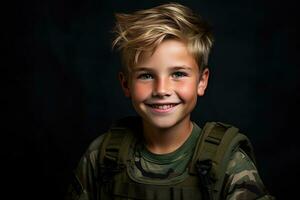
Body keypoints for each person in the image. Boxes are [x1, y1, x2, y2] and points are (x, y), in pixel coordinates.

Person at [65, 3, 274, 200]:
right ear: (126, 84)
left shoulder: (229, 163)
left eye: (178, 74)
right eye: (146, 75)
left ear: (201, 81)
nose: (162, 90)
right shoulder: (101, 157)